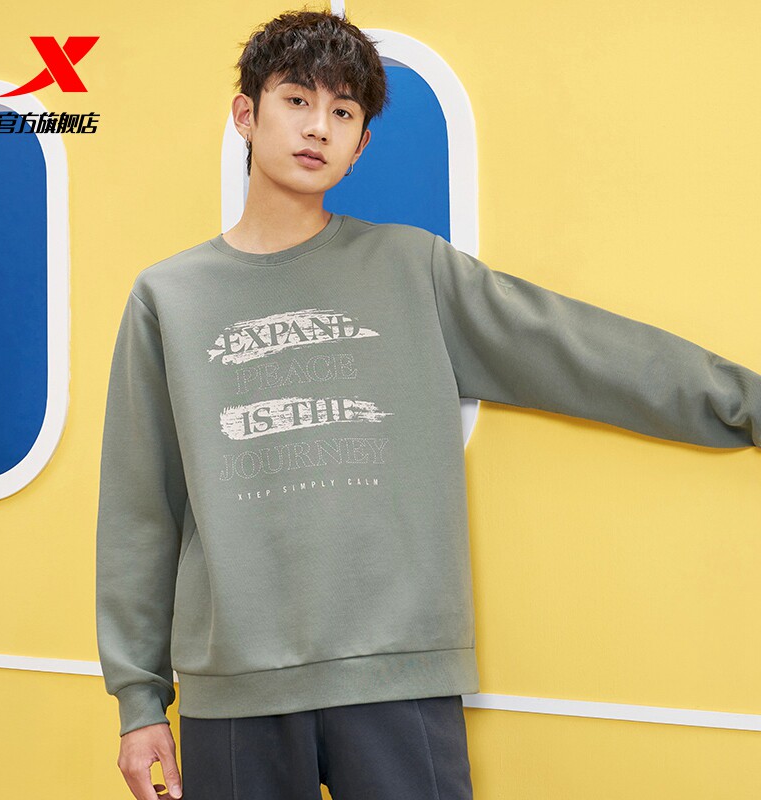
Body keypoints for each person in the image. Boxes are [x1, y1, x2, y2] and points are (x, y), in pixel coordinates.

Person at [95, 8, 761, 800]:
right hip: (235, 687)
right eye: (297, 100)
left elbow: (576, 348)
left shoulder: (412, 269)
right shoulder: (168, 298)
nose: (318, 127)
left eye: (343, 112)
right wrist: (139, 703)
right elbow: (140, 507)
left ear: (360, 144)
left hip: (398, 674)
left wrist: (742, 401)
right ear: (246, 114)